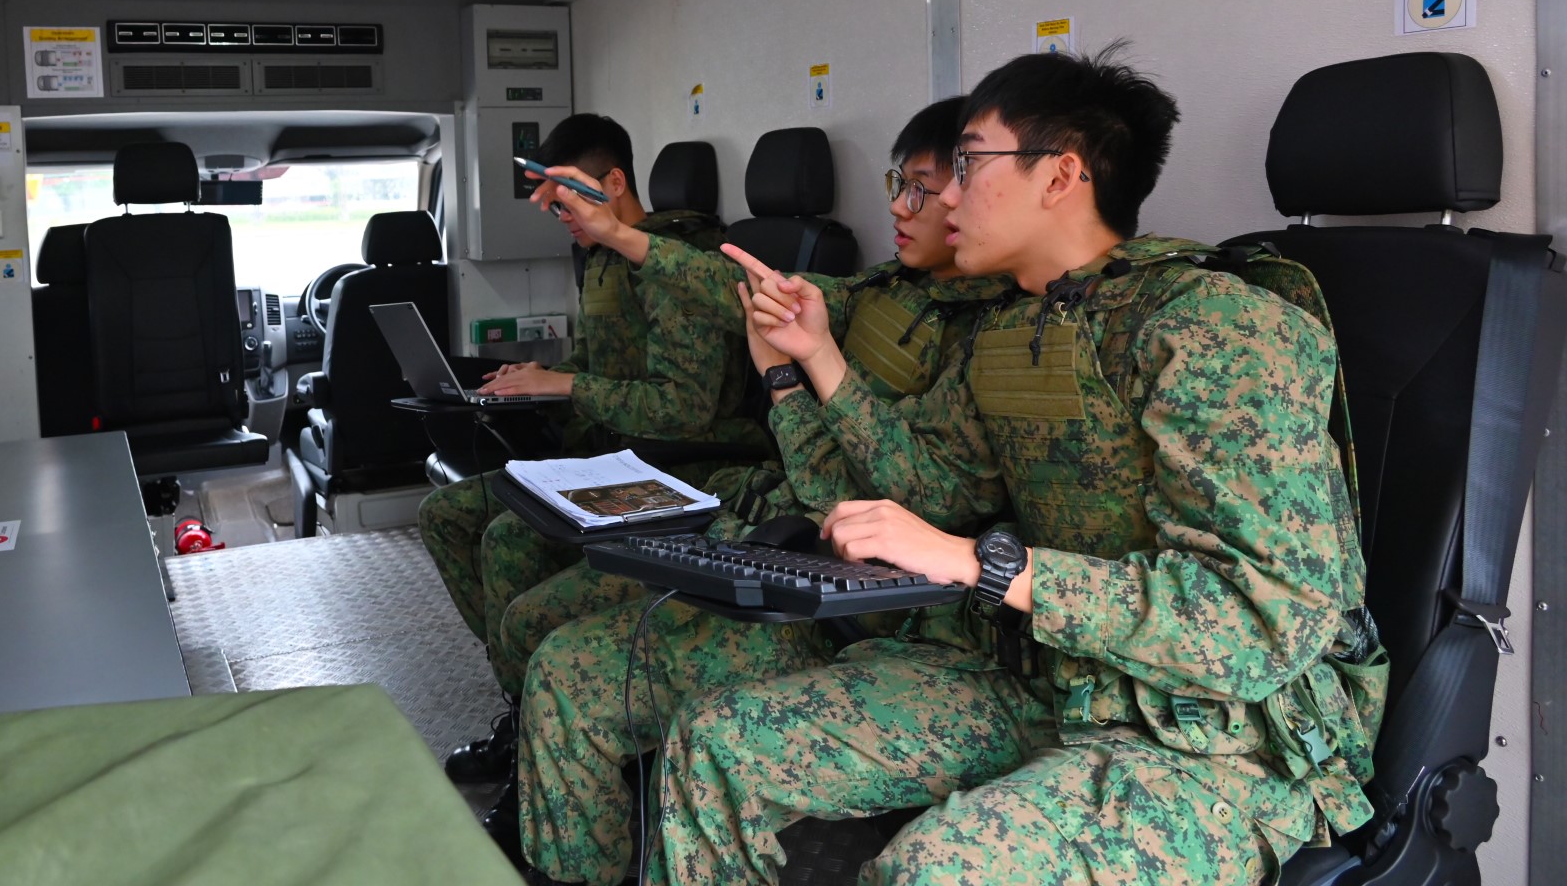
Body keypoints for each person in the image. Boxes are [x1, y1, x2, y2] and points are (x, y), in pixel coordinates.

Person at [654, 48, 1382, 886]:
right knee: (714, 744)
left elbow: (1259, 619)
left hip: (1214, 732)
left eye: (967, 165)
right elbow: (921, 493)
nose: (944, 196)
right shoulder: (1011, 332)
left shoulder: (1216, 327)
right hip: (1042, 675)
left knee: (934, 873)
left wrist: (988, 565)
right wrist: (810, 360)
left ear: (1061, 174)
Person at [510, 98, 1008, 884]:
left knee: (643, 706)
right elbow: (742, 294)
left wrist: (797, 376)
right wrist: (625, 238)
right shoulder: (884, 291)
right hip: (796, 546)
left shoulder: (1005, 336)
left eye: (926, 187)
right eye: (901, 185)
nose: (903, 206)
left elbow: (922, 498)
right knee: (561, 661)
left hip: (879, 598)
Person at [416, 113, 769, 794]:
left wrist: (568, 386)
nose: (562, 219)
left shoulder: (675, 264)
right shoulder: (605, 261)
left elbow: (684, 411)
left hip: (683, 465)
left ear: (613, 183)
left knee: (508, 541)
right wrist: (537, 379)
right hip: (610, 457)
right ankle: (526, 709)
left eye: (568, 202)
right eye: (554, 206)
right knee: (448, 514)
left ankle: (539, 746)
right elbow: (599, 364)